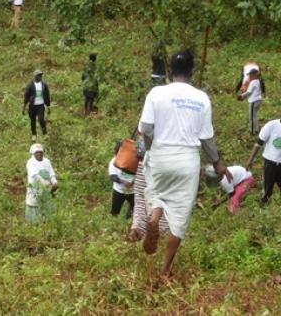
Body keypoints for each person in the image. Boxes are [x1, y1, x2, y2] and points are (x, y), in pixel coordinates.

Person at [138, 50, 231, 278]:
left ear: (169, 71)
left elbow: (146, 129)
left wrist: (150, 145)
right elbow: (206, 139)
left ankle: (155, 214)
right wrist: (217, 163)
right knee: (179, 218)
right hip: (187, 161)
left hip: (161, 156)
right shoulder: (201, 98)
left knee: (156, 191)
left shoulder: (157, 93)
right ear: (192, 71)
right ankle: (165, 269)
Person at [25, 143, 58, 223]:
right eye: (37, 152)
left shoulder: (47, 161)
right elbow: (35, 176)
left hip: (47, 190)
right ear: (33, 153)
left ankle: (47, 222)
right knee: (34, 204)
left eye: (40, 152)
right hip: (35, 188)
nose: (39, 154)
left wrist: (54, 182)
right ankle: (34, 223)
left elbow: (51, 173)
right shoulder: (30, 162)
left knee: (47, 205)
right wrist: (46, 184)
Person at [23, 70, 51, 142]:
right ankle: (34, 135)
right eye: (38, 75)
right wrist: (24, 107)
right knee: (33, 121)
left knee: (41, 119)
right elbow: (26, 96)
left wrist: (48, 106)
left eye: (41, 75)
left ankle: (45, 133)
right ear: (34, 76)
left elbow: (47, 96)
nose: (40, 77)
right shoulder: (30, 85)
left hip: (40, 105)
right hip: (32, 106)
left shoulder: (44, 85)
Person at [109, 148, 135, 219]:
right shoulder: (114, 161)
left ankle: (128, 221)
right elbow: (113, 177)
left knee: (134, 212)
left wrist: (134, 182)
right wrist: (123, 181)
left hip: (133, 191)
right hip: (119, 190)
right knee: (114, 212)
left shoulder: (135, 160)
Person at [237, 68, 262, 136]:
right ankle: (256, 129)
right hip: (257, 100)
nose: (249, 76)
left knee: (251, 117)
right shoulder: (258, 81)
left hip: (254, 101)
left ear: (254, 75)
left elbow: (249, 92)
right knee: (254, 116)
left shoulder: (254, 82)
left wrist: (241, 96)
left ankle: (253, 132)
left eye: (250, 75)